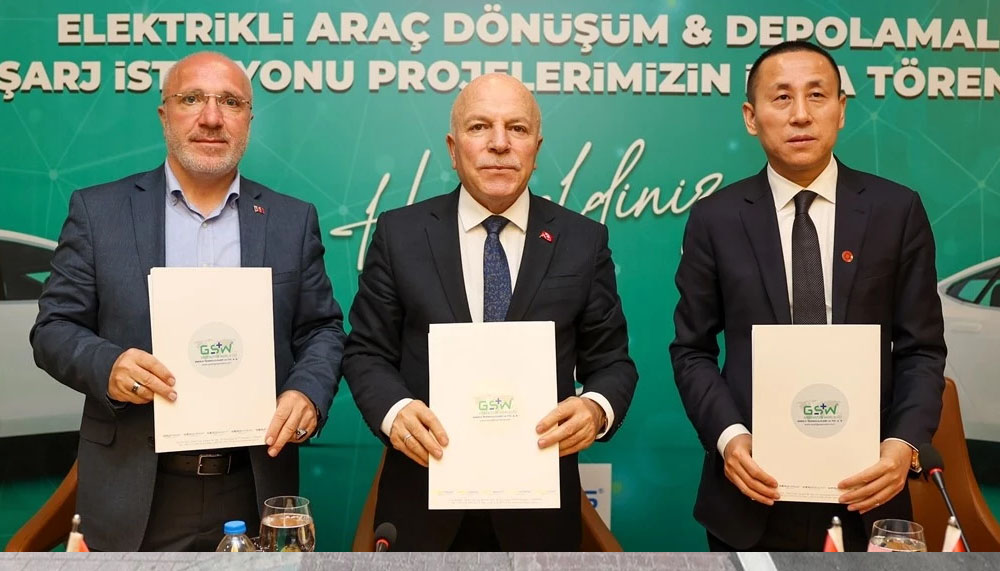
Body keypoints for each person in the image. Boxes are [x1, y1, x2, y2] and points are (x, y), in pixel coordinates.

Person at [30, 51, 346, 551]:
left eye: (231, 102)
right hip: (134, 487)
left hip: (253, 483)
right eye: (192, 98)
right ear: (164, 114)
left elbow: (321, 330)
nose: (212, 117)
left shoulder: (292, 219)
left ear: (248, 119)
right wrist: (109, 365)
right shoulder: (99, 211)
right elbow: (53, 329)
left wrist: (307, 392)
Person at [670, 40, 946, 552]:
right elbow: (692, 350)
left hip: (868, 490)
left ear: (841, 110)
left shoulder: (896, 210)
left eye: (817, 95)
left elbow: (921, 349)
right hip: (751, 494)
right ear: (751, 117)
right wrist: (729, 438)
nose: (800, 114)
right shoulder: (715, 218)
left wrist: (902, 444)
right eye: (781, 97)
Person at [342, 73, 638, 551]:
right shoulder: (400, 234)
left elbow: (612, 364)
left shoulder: (582, 241)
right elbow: (365, 353)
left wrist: (595, 408)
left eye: (517, 129)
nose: (500, 144)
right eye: (480, 127)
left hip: (539, 515)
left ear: (536, 148)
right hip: (421, 501)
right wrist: (395, 412)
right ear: (453, 148)